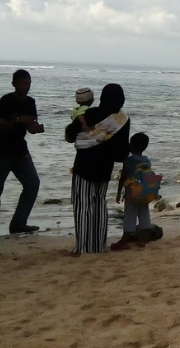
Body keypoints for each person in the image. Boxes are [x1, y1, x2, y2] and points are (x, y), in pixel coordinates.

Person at [64, 83, 131, 255]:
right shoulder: (123, 119)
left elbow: (70, 136)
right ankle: (98, 245)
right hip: (105, 168)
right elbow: (122, 152)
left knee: (83, 207)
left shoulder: (90, 114)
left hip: (84, 166)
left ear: (102, 97)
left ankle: (83, 247)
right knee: (100, 205)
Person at [0, 69, 44, 238]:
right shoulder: (6, 100)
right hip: (1, 149)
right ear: (14, 84)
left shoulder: (30, 102)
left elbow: (30, 126)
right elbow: (1, 125)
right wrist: (18, 120)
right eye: (23, 83)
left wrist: (36, 129)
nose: (26, 86)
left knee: (32, 184)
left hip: (19, 149)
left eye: (28, 83)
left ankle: (18, 223)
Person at [110, 132, 153, 251]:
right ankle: (142, 239)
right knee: (144, 214)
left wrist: (119, 192)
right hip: (145, 193)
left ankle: (124, 241)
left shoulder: (129, 161)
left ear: (132, 146)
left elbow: (123, 177)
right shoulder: (147, 160)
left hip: (132, 193)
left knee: (130, 216)